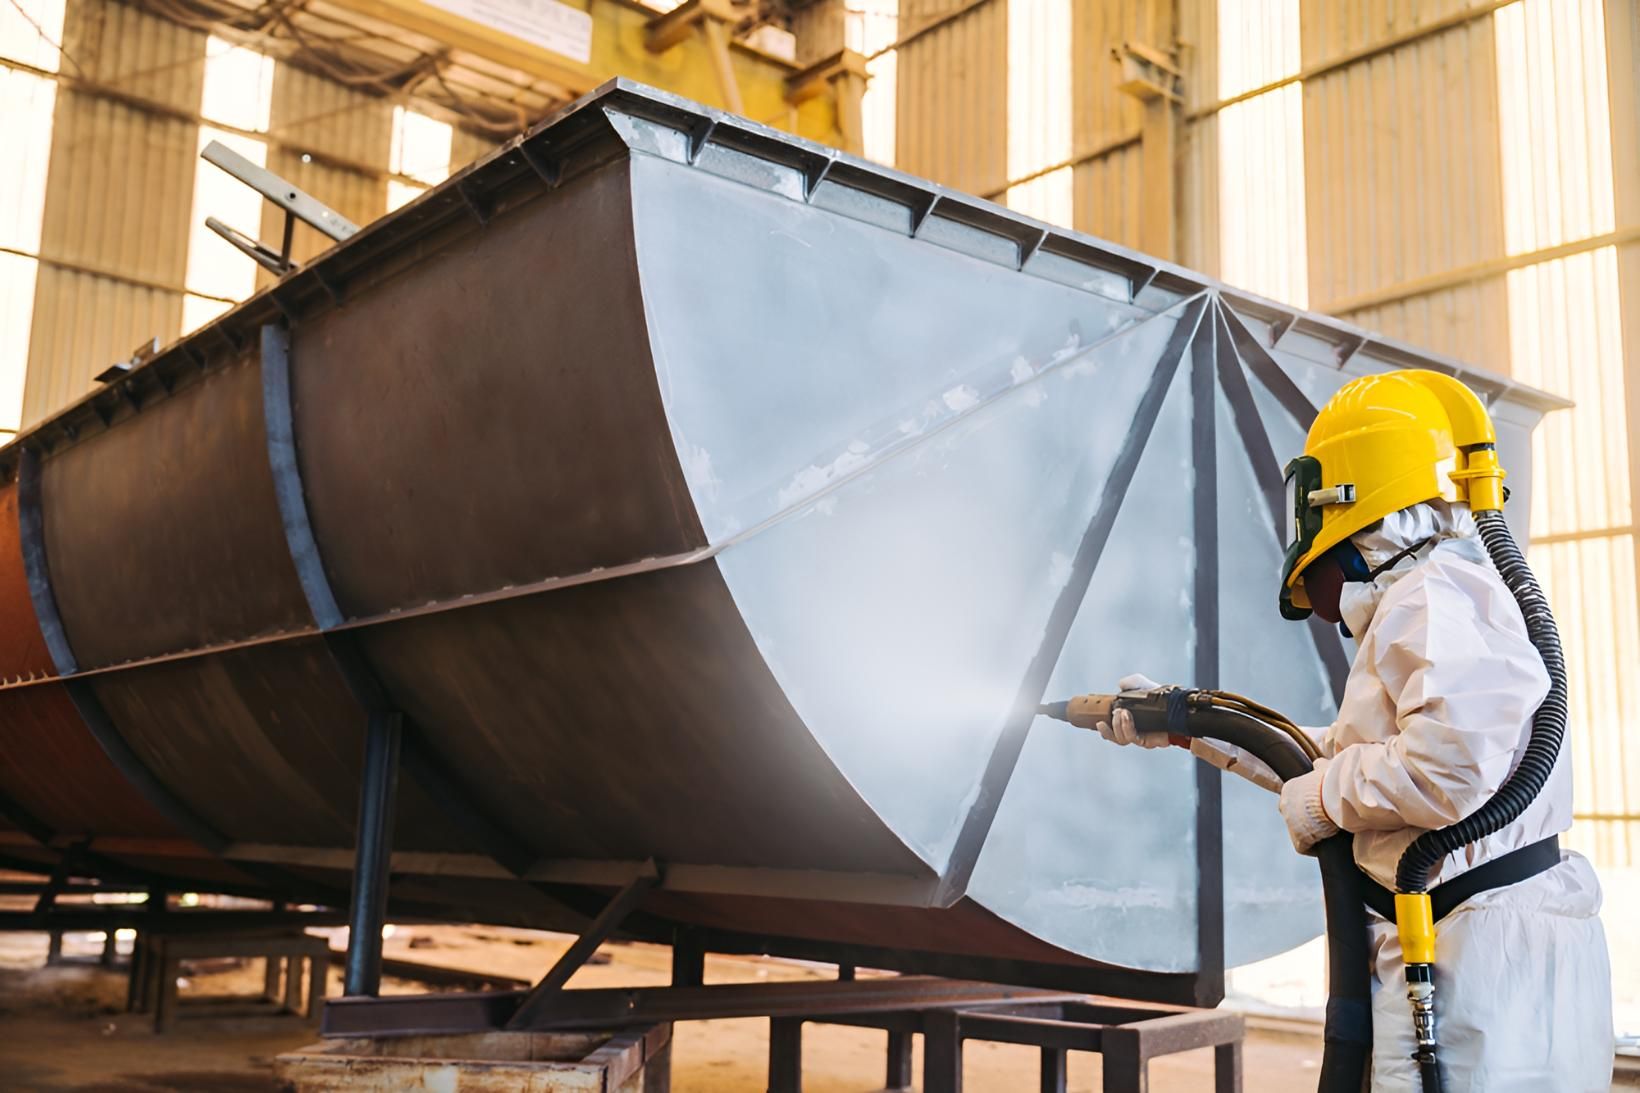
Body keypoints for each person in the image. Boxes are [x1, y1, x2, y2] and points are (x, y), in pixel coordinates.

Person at [1098, 371, 1613, 1091]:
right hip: (1475, 947)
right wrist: (1192, 727)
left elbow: (1447, 771)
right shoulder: (1437, 594)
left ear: (1347, 516)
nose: (1320, 610)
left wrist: (1319, 801)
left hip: (1478, 959)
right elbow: (1357, 758)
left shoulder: (1428, 596)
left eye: (1315, 578)